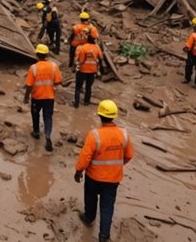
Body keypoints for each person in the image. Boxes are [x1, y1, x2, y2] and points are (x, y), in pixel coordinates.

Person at [74, 100, 133, 242]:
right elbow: (129, 155)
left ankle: (89, 217)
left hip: (93, 176)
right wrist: (117, 165)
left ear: (100, 116)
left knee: (90, 197)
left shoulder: (94, 135)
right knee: (107, 206)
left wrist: (78, 171)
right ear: (114, 116)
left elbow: (85, 157)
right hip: (113, 179)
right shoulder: (124, 134)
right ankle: (104, 235)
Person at [23, 44, 61, 152]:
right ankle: (48, 135)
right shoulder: (54, 66)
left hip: (37, 97)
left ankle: (36, 132)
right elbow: (58, 82)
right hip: (49, 97)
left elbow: (29, 85)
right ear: (47, 55)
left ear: (37, 55)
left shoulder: (33, 68)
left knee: (35, 114)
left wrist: (26, 97)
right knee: (48, 116)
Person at [74, 35, 104, 108]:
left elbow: (77, 59)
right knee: (88, 87)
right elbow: (101, 58)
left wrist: (75, 66)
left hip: (82, 70)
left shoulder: (82, 47)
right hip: (92, 71)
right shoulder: (97, 47)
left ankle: (76, 104)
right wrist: (100, 70)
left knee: (78, 87)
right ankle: (86, 102)